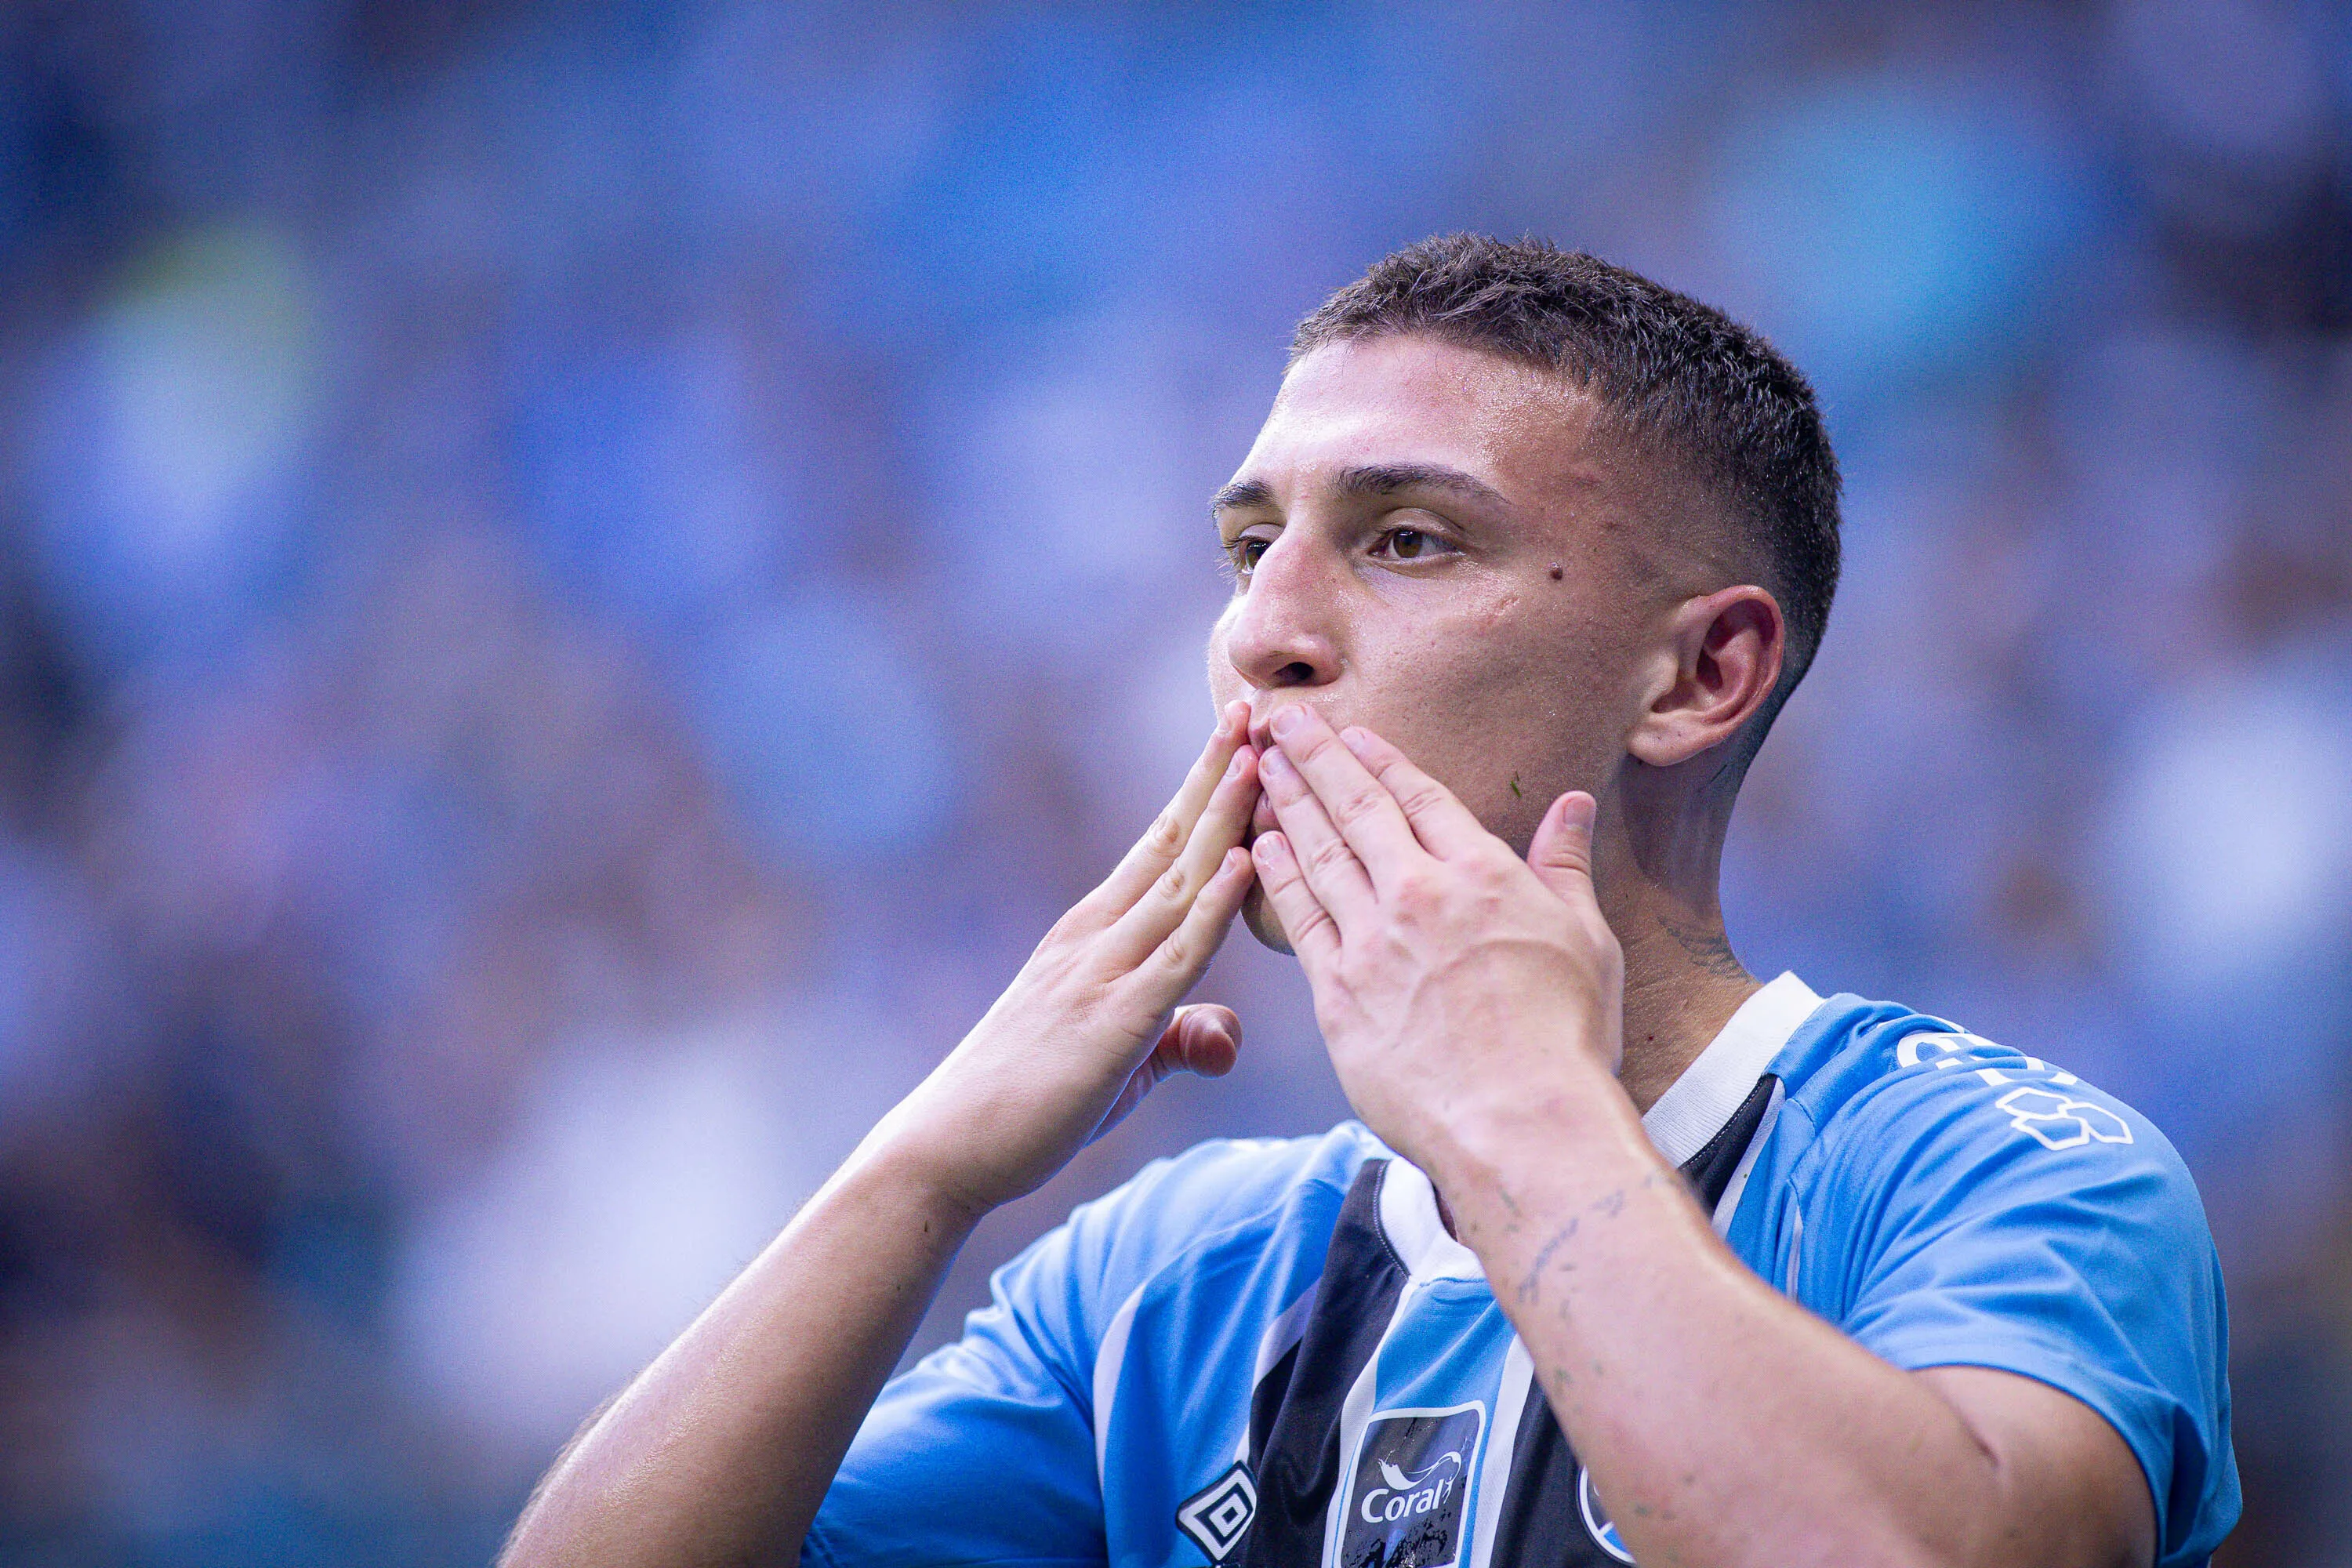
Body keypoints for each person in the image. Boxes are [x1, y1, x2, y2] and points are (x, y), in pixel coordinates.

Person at [499, 236, 2238, 1568]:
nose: (1263, 631)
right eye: (1251, 548)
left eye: (1408, 539)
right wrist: (918, 1175)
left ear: (1701, 675)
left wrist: (1513, 1102)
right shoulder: (1167, 1281)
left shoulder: (2008, 1172)